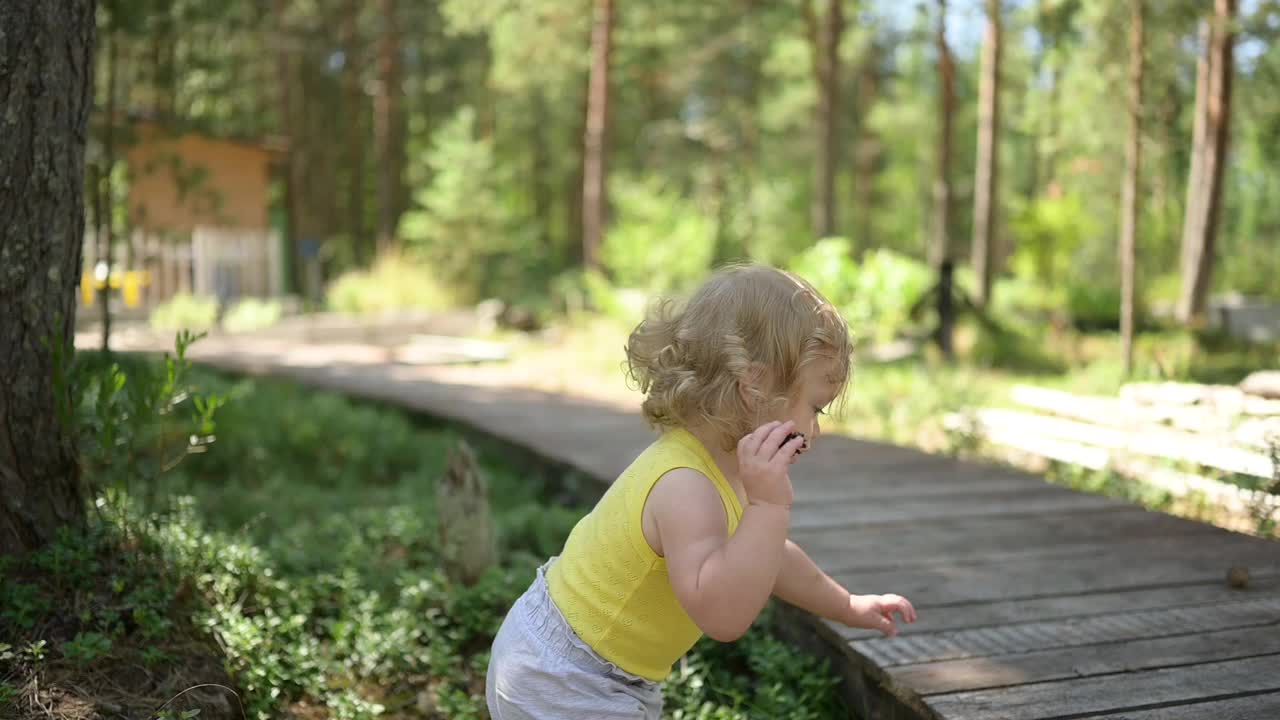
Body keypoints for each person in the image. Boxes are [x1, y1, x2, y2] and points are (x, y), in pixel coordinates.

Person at [486, 264, 917, 719]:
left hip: (593, 669)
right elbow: (723, 616)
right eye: (814, 407)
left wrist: (846, 604)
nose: (813, 431)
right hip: (566, 674)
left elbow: (771, 558)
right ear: (753, 385)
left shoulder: (721, 465)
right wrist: (770, 506)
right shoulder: (684, 484)